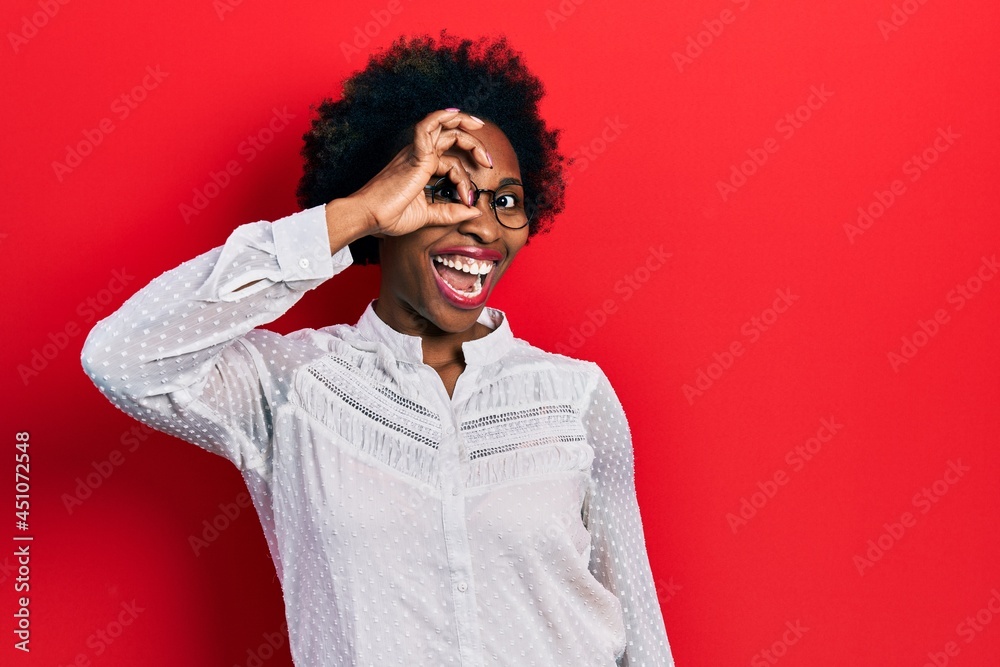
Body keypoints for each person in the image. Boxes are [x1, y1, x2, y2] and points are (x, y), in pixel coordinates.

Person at [80, 30, 675, 667]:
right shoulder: (293, 389)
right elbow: (121, 358)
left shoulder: (576, 398)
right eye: (443, 189)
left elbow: (639, 629)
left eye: (506, 201)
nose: (482, 224)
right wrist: (355, 214)